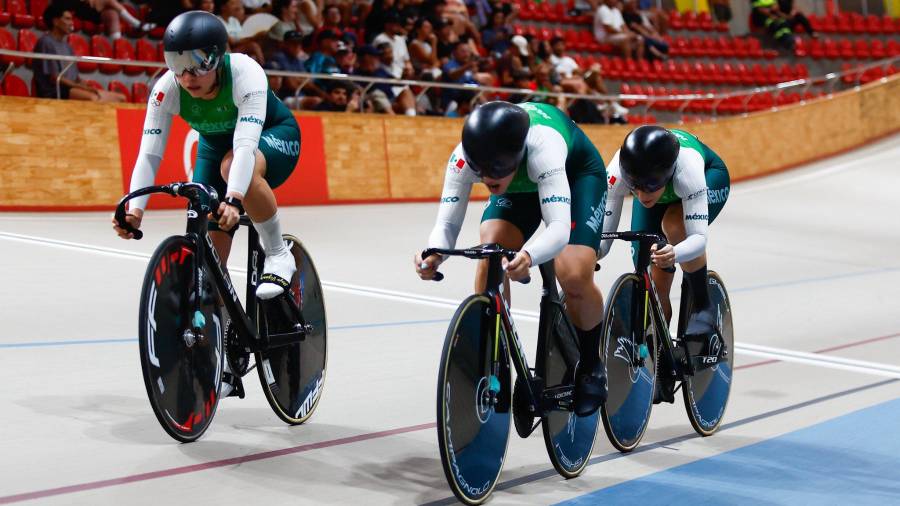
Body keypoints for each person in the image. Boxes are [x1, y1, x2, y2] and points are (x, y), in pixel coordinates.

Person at [113, 10, 301, 364]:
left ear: (217, 57)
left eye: (198, 64)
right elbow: (149, 154)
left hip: (272, 136)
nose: (187, 76)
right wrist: (134, 211)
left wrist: (234, 198)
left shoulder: (244, 71)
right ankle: (226, 355)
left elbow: (244, 147)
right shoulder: (167, 89)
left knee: (233, 168)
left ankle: (278, 253)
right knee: (210, 260)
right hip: (215, 147)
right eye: (176, 64)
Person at [415, 101, 609, 417]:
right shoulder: (463, 159)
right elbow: (447, 224)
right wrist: (434, 253)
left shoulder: (543, 147)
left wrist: (529, 256)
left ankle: (590, 364)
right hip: (521, 183)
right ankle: (496, 357)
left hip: (576, 175)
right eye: (481, 172)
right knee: (490, 252)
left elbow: (559, 228)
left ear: (515, 157)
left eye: (495, 171)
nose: (487, 178)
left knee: (573, 273)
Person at [600, 126, 730, 403]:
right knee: (651, 274)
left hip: (710, 177)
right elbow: (603, 240)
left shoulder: (687, 172)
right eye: (634, 187)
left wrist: (676, 252)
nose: (641, 193)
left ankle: (703, 305)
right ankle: (661, 354)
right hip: (663, 191)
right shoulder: (618, 173)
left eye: (649, 186)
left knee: (674, 225)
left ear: (667, 174)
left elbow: (698, 238)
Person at [33, 5, 125, 102]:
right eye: (67, 19)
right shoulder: (46, 42)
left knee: (120, 98)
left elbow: (75, 77)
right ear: (55, 21)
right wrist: (82, 88)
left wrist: (85, 85)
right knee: (93, 99)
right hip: (55, 90)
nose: (71, 23)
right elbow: (55, 78)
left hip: (72, 88)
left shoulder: (67, 46)